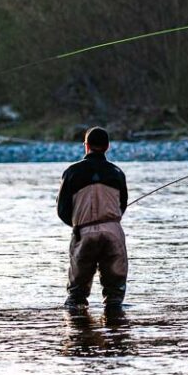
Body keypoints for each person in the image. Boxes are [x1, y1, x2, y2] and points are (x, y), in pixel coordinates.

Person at [56, 126, 129, 310]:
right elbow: (123, 205)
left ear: (86, 146)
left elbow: (62, 210)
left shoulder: (71, 172)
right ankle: (116, 334)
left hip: (83, 233)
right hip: (113, 233)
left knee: (76, 298)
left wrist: (78, 225)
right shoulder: (117, 173)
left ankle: (79, 333)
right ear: (107, 147)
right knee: (114, 297)